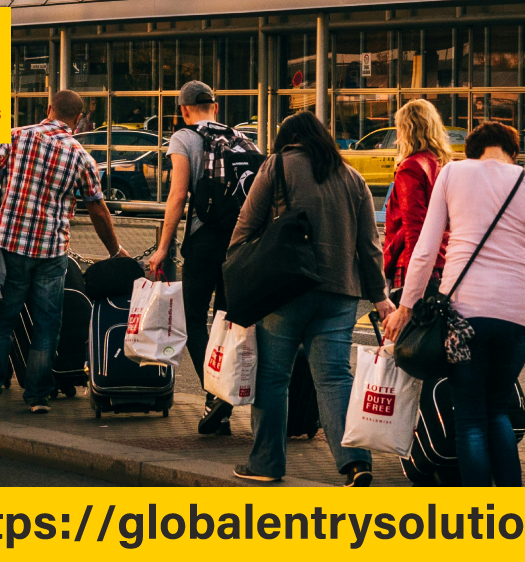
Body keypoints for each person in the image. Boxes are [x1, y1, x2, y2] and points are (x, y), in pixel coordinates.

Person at [384, 121, 525, 487]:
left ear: (471, 150)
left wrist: (405, 308)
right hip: (519, 317)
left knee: (471, 419)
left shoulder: (453, 173)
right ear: (513, 153)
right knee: (496, 413)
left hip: (465, 317)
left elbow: (426, 249)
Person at [230, 111, 395, 486]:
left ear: (288, 139)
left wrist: (238, 276)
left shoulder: (277, 167)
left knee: (273, 378)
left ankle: (267, 464)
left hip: (286, 290)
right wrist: (379, 298)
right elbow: (369, 247)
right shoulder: (352, 177)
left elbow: (245, 226)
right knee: (335, 377)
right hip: (340, 294)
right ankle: (355, 463)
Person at [0, 89, 129, 414]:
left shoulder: (17, 137)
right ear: (78, 119)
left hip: (10, 244)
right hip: (52, 251)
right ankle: (38, 396)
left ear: (48, 108)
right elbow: (98, 209)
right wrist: (115, 250)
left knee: (2, 320)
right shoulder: (82, 156)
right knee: (47, 323)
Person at [147, 80, 248, 435]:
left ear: (183, 110)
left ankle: (213, 392)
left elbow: (177, 196)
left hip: (205, 242)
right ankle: (220, 400)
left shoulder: (183, 138)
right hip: (239, 243)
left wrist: (163, 247)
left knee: (191, 317)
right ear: (216, 107)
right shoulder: (240, 138)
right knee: (224, 322)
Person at [383, 99, 450, 288]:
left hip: (413, 261)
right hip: (444, 260)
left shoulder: (411, 167)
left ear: (407, 129)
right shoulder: (444, 164)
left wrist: (415, 277)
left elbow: (415, 226)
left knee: (407, 316)